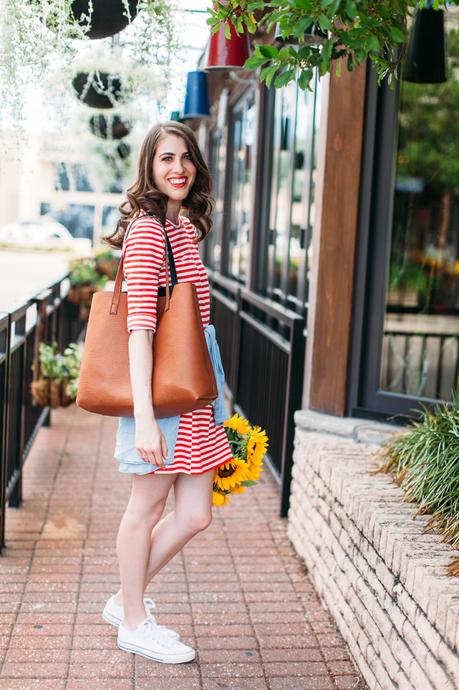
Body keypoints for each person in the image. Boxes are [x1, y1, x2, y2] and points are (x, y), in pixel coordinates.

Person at [102, 121, 233, 664]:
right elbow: (139, 330)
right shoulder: (149, 231)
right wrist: (146, 418)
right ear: (149, 170)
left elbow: (195, 324)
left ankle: (124, 599)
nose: (177, 168)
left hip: (194, 388)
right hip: (160, 392)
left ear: (196, 165)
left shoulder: (185, 230)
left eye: (184, 158)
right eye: (165, 160)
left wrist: (216, 398)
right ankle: (134, 620)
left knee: (195, 512)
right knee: (148, 505)